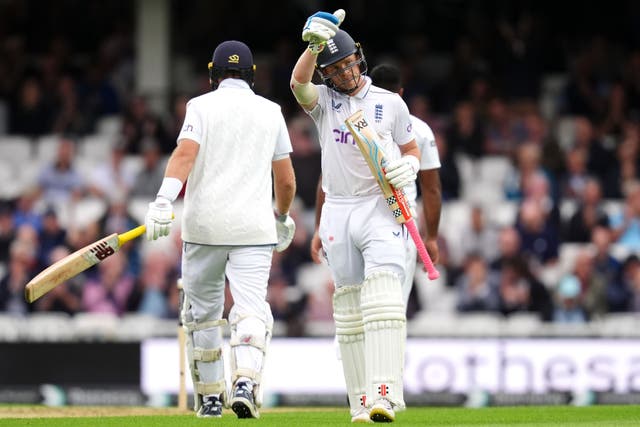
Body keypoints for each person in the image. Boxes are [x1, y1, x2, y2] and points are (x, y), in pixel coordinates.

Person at [144, 40, 296, 419]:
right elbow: (287, 181)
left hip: (204, 229)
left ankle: (211, 397)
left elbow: (185, 154)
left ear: (212, 75)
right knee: (250, 311)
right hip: (254, 230)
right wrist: (282, 216)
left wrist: (164, 199)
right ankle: (245, 381)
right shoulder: (272, 111)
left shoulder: (200, 106)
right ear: (252, 76)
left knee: (203, 314)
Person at [291, 9, 421, 422]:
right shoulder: (324, 103)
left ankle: (386, 394)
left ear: (359, 59)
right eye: (336, 69)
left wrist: (409, 168)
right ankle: (361, 403)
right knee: (349, 311)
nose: (346, 74)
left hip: (380, 206)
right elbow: (298, 84)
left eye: (348, 64)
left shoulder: (389, 103)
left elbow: (411, 149)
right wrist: (313, 47)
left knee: (383, 297)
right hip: (339, 210)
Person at [368, 63, 442, 307]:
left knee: (355, 307)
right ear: (400, 93)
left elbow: (327, 179)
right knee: (394, 308)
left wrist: (319, 226)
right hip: (399, 225)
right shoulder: (419, 130)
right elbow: (431, 189)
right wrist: (430, 236)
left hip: (359, 219)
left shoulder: (353, 125)